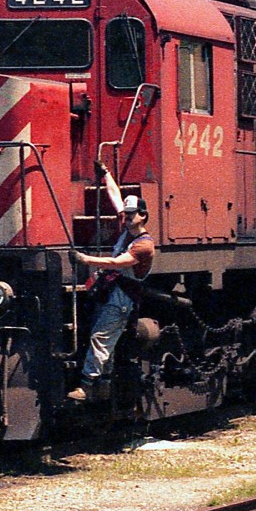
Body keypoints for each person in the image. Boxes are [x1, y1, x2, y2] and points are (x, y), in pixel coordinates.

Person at [67, 161, 155, 402]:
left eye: (130, 214)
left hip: (122, 297)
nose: (125, 217)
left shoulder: (144, 246)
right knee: (103, 337)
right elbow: (116, 195)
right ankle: (103, 384)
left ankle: (87, 386)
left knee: (101, 338)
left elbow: (118, 263)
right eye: (125, 214)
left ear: (142, 216)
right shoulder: (128, 230)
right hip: (111, 290)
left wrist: (85, 259)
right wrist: (106, 174)